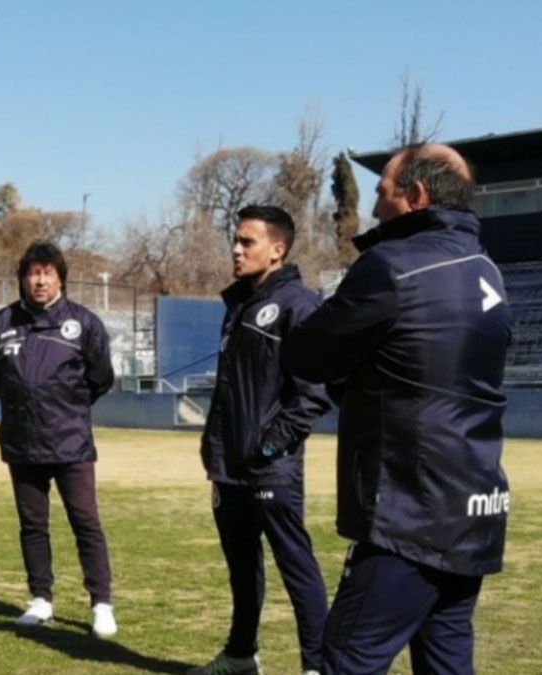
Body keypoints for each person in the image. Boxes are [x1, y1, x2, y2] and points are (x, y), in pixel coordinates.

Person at [283, 143, 513, 674]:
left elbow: (307, 352)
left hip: (407, 513)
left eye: (383, 194)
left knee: (344, 660)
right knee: (447, 660)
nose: (373, 209)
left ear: (416, 195)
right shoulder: (489, 272)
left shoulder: (394, 266)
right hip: (473, 509)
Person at [189, 205, 331, 675]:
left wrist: (270, 446)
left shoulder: (299, 305)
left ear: (277, 248)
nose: (235, 248)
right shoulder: (240, 306)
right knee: (242, 570)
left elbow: (314, 393)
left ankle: (317, 665)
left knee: (297, 568)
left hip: (271, 469)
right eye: (235, 239)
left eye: (247, 241)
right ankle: (240, 655)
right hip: (228, 467)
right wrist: (215, 447)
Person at [0, 241, 118, 639]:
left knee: (86, 522)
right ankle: (41, 599)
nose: (39, 281)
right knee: (32, 524)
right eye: (32, 273)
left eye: (47, 273)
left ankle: (101, 604)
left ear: (60, 278)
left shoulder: (84, 323)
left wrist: (68, 407)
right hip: (22, 443)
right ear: (23, 279)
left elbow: (100, 377)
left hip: (71, 442)